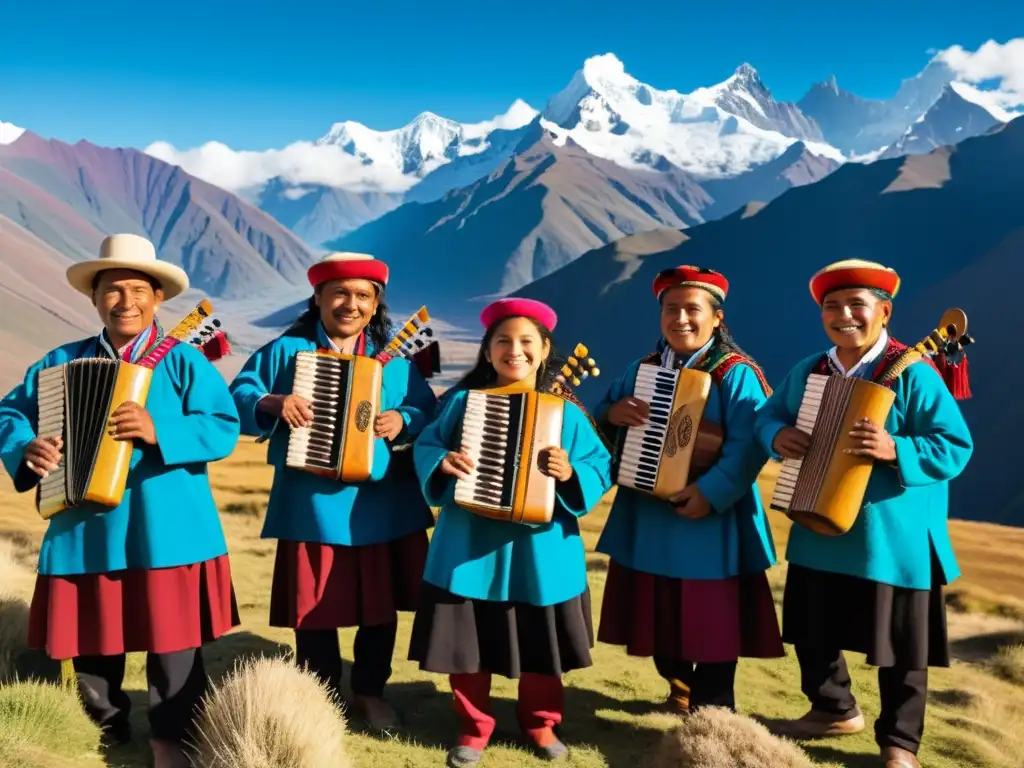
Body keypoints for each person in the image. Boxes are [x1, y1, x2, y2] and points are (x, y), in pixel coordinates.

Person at [0, 234, 241, 768]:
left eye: (138, 290)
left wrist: (162, 430)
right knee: (93, 639)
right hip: (86, 528)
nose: (125, 301)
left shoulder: (183, 362)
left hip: (168, 526)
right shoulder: (59, 363)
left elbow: (224, 426)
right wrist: (26, 447)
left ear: (158, 299)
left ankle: (173, 735)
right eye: (112, 290)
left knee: (173, 641)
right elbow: (9, 414)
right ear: (95, 299)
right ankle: (104, 727)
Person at [754, 259, 974, 768]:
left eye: (857, 305)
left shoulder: (914, 374)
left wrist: (895, 447)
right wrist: (775, 436)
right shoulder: (811, 368)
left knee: (900, 652)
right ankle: (832, 709)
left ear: (884, 311)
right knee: (812, 633)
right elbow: (768, 414)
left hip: (891, 540)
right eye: (833, 306)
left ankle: (900, 744)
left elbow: (955, 445)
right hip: (818, 526)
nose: (844, 315)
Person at [229, 251, 437, 730]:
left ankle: (370, 691)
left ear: (375, 304)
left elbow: (428, 414)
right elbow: (240, 393)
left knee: (379, 609)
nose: (351, 303)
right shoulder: (285, 352)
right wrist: (272, 401)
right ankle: (320, 694)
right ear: (318, 297)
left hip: (382, 503)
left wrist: (401, 419)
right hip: (313, 504)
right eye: (340, 292)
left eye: (363, 295)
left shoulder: (396, 363)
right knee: (315, 608)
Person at [409, 297, 612, 767]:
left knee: (543, 646)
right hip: (468, 549)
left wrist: (569, 471)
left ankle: (541, 723)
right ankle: (473, 727)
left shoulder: (566, 413)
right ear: (487, 351)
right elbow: (427, 443)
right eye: (503, 341)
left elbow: (600, 464)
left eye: (526, 342)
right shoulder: (462, 403)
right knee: (468, 648)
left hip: (541, 555)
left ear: (544, 350)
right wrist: (442, 461)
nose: (513, 350)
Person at [593, 265, 784, 716]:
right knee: (660, 615)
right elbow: (603, 412)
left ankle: (714, 713)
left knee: (713, 620)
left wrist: (711, 493)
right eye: (671, 309)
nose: (680, 319)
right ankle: (680, 690)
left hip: (712, 520)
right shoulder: (642, 368)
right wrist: (612, 410)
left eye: (692, 309)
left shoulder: (738, 373)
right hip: (650, 516)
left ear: (717, 318)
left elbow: (748, 443)